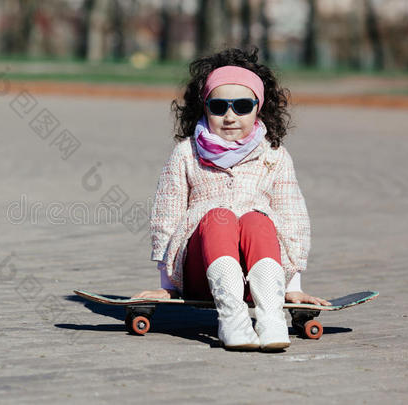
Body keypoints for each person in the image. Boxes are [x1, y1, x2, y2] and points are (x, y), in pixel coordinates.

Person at [133, 47, 331, 352]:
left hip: (258, 280)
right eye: (218, 106)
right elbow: (166, 215)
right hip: (203, 276)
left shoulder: (274, 155)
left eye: (242, 106)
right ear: (204, 108)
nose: (229, 116)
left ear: (259, 109)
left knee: (256, 219)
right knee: (219, 216)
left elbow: (293, 217)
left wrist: (294, 288)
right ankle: (233, 319)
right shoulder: (186, 154)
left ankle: (271, 316)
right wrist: (167, 286)